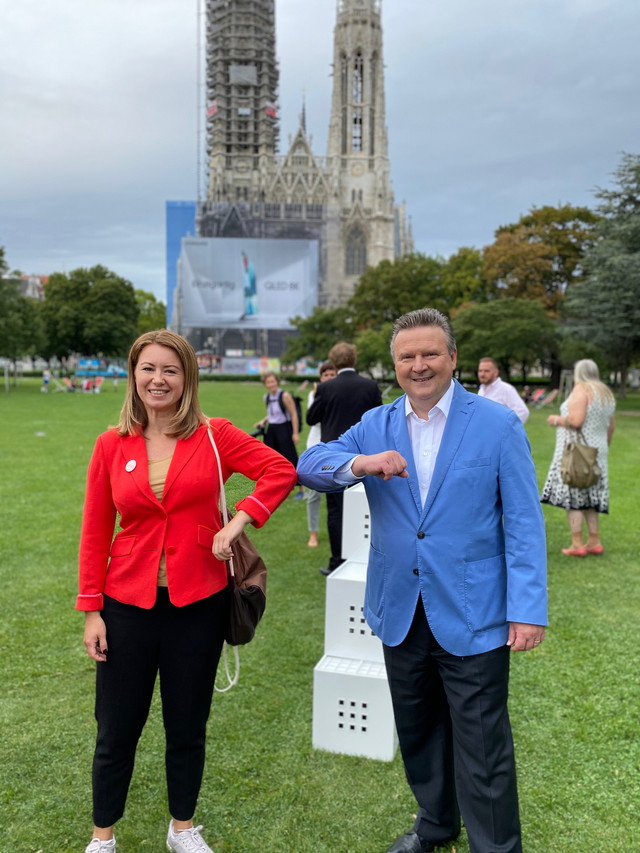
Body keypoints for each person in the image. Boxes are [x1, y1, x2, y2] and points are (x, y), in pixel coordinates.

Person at [297, 309, 547, 853]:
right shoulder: (377, 423)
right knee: (418, 733)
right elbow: (310, 463)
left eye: (430, 353)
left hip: (474, 611)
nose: (419, 365)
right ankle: (435, 825)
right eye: (407, 356)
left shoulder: (496, 424)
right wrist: (361, 464)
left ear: (453, 358)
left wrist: (528, 609)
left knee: (483, 746)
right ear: (393, 364)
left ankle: (496, 847)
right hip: (400, 609)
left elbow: (525, 523)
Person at [77, 330, 297, 853]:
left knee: (187, 725)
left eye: (170, 370)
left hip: (198, 603)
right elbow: (94, 529)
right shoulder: (112, 443)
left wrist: (238, 521)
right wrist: (92, 611)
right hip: (126, 605)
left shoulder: (215, 434)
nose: (158, 379)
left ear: (187, 379)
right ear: (134, 375)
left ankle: (182, 829)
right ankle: (102, 837)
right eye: (148, 368)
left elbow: (279, 470)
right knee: (116, 730)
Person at [306, 342, 382, 575]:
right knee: (366, 508)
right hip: (364, 456)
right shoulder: (370, 386)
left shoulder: (327, 388)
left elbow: (311, 418)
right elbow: (378, 419)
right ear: (354, 360)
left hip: (335, 458)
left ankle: (337, 560)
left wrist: (320, 395)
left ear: (334, 362)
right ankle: (366, 557)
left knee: (336, 510)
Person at [541, 358, 615, 556]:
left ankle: (577, 544)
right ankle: (594, 541)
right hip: (597, 452)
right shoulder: (605, 393)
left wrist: (555, 420)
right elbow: (611, 426)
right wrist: (603, 447)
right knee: (591, 497)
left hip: (575, 453)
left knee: (573, 498)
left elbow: (576, 420)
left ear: (578, 373)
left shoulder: (581, 389)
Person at [254, 371, 304, 499]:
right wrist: (264, 420)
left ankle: (302, 490)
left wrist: (295, 433)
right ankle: (277, 486)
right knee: (271, 458)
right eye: (268, 382)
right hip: (272, 430)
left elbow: (293, 414)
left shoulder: (284, 395)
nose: (271, 384)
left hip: (284, 429)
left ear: (277, 381)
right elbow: (273, 414)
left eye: (273, 381)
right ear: (265, 384)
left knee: (291, 457)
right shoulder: (267, 397)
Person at [305, 360, 337, 547]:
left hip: (334, 448)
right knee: (314, 494)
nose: (329, 378)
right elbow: (314, 421)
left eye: (332, 375)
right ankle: (313, 533)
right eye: (326, 375)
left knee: (338, 496)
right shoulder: (314, 394)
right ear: (321, 377)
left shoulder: (340, 394)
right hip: (316, 447)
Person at [476, 357, 530, 423]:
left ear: (496, 372)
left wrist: (506, 429)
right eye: (480, 371)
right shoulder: (481, 390)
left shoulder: (506, 389)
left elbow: (523, 412)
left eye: (486, 371)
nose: (482, 374)